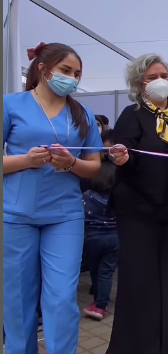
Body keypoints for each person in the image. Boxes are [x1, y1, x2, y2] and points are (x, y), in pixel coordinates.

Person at [3, 42, 102, 354]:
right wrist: (25, 161)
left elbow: (94, 167)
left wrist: (71, 163)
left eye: (76, 74)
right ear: (43, 69)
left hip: (65, 215)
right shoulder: (10, 105)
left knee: (60, 298)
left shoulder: (82, 113)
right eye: (65, 71)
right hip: (16, 215)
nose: (71, 78)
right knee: (18, 300)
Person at [106, 54, 168, 354]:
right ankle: (138, 347)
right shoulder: (131, 114)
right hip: (138, 211)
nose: (160, 80)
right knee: (141, 281)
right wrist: (123, 156)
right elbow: (124, 153)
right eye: (151, 77)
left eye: (163, 74)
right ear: (139, 84)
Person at [83, 135, 118, 321]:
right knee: (106, 272)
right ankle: (100, 305)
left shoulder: (87, 196)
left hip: (92, 239)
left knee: (95, 272)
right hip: (114, 239)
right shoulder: (119, 197)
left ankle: (98, 301)